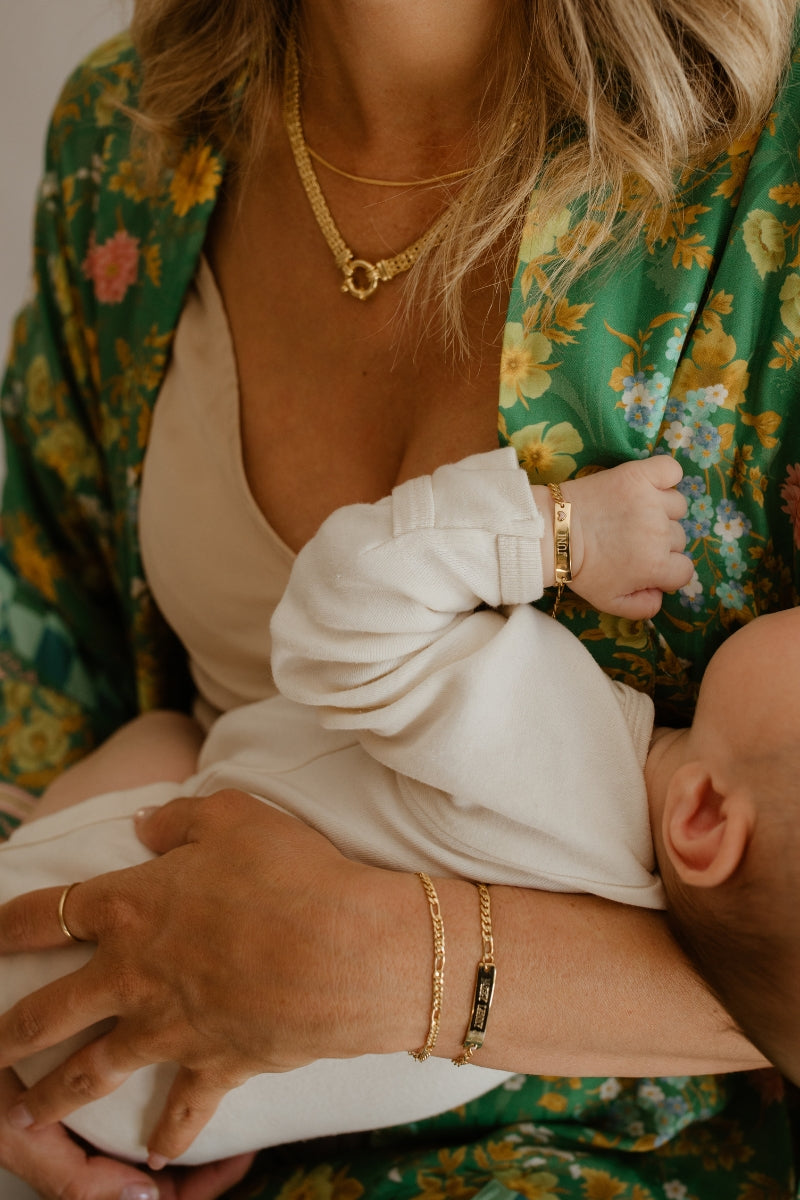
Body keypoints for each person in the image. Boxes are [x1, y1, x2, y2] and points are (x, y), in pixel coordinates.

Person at [0, 2, 799, 1198]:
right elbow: (43, 666)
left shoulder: (772, 162)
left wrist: (379, 967)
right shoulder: (133, 134)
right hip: (144, 1109)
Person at [2, 444, 800, 1170]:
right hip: (152, 1121)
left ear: (703, 820)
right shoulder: (618, 973)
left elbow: (337, 620)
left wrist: (557, 532)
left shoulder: (551, 747)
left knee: (164, 737)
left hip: (71, 942)